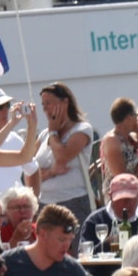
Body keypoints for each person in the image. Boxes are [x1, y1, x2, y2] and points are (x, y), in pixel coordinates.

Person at [35, 82, 96, 224]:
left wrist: (53, 132)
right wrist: (51, 172)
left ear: (65, 102)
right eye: (43, 105)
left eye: (49, 103)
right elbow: (30, 170)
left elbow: (62, 157)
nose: (45, 109)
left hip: (73, 202)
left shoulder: (82, 129)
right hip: (45, 204)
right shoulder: (43, 135)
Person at [79, 172, 138, 254]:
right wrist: (106, 245)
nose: (125, 204)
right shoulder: (95, 221)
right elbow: (84, 256)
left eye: (129, 199)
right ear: (110, 197)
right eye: (120, 199)